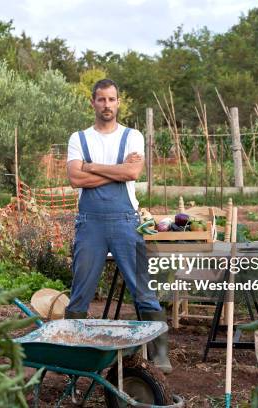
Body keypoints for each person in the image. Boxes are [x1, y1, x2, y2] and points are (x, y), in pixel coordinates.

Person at [65, 78, 172, 373]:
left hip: (126, 221)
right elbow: (76, 179)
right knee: (81, 289)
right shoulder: (79, 138)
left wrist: (93, 166)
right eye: (101, 99)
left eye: (111, 99)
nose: (106, 105)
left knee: (142, 287)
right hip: (90, 224)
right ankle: (76, 351)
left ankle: (160, 356)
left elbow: (133, 171)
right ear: (92, 102)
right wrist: (118, 171)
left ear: (118, 102)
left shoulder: (132, 136)